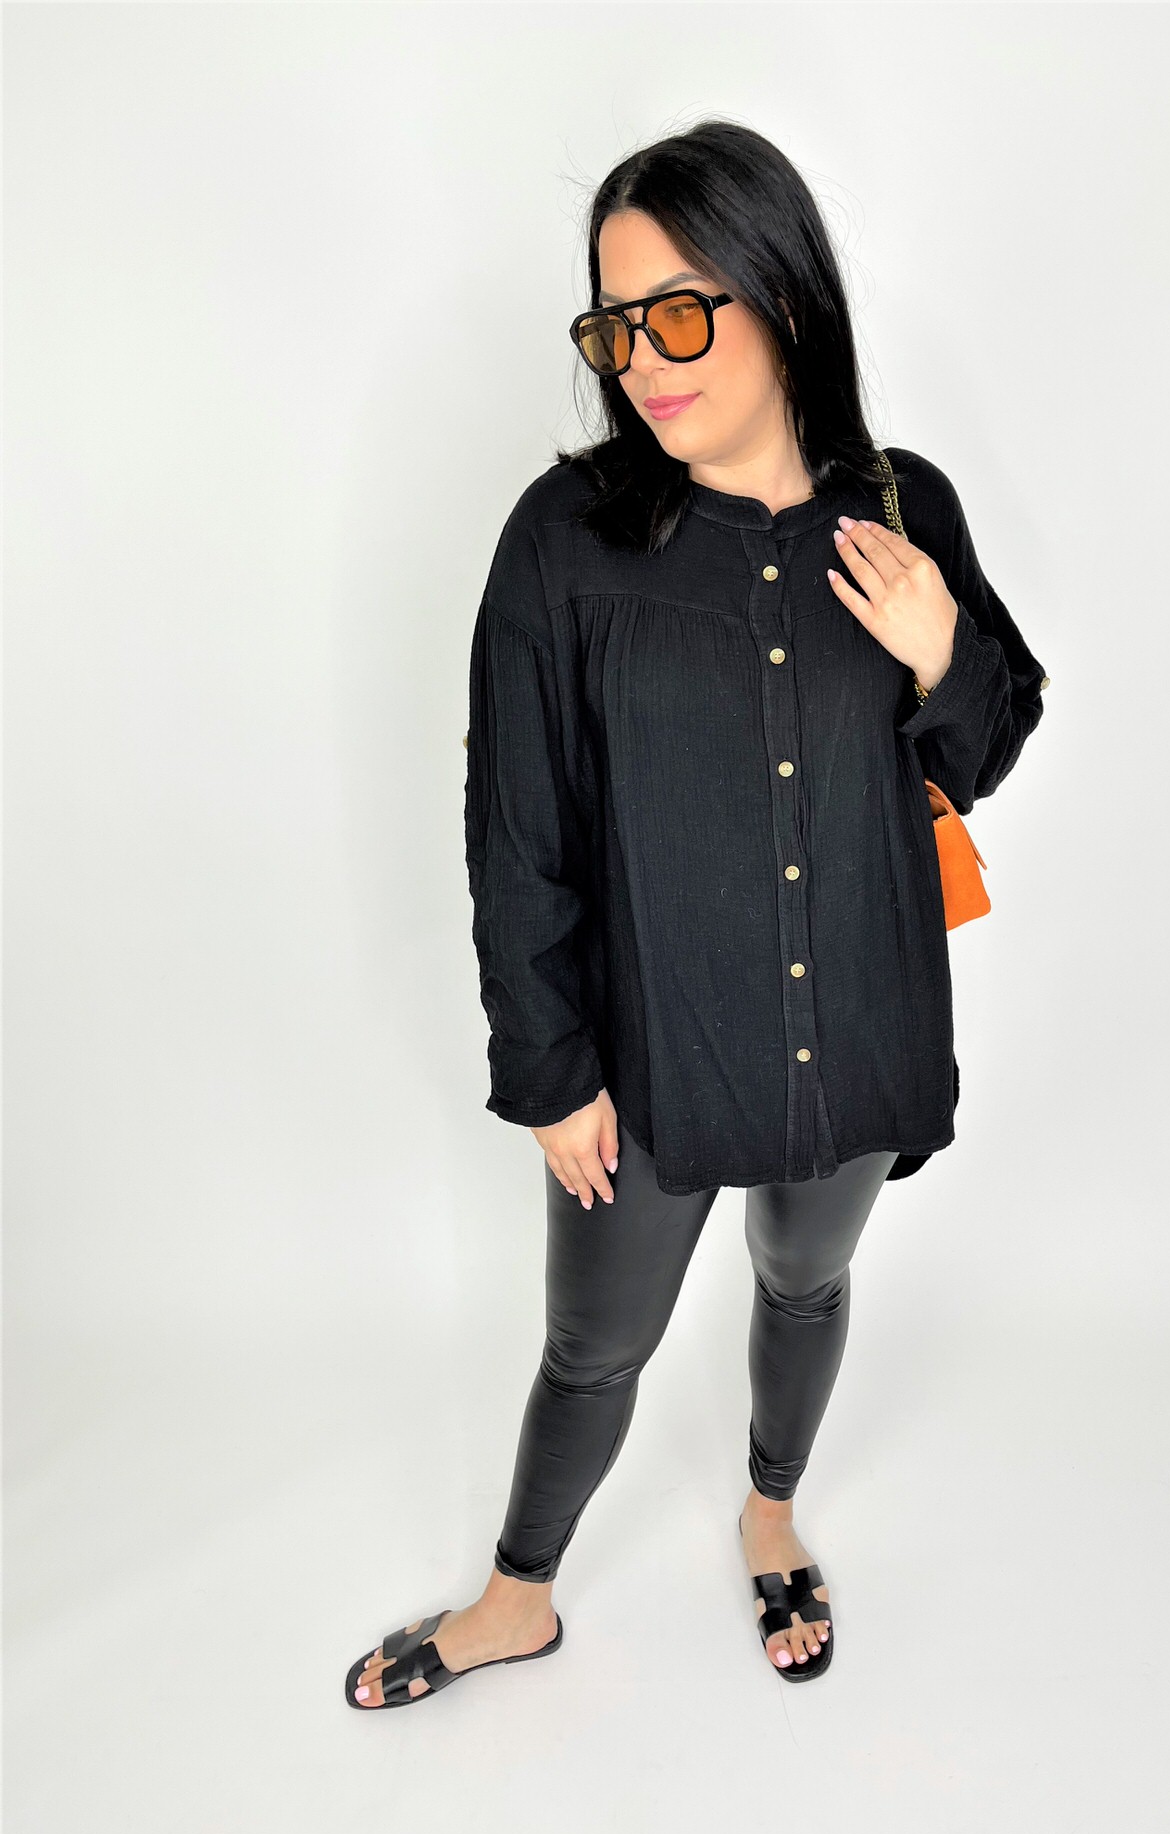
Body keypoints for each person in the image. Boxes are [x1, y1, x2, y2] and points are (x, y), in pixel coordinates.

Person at [346, 118, 1048, 1710]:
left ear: (780, 295)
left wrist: (943, 652)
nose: (643, 363)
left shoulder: (904, 506)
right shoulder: (567, 539)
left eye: (679, 313)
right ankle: (516, 1596)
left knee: (805, 1281)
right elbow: (515, 830)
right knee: (593, 1347)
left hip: (854, 1018)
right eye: (616, 327)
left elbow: (986, 748)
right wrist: (551, 1070)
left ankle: (770, 1513)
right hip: (648, 1052)